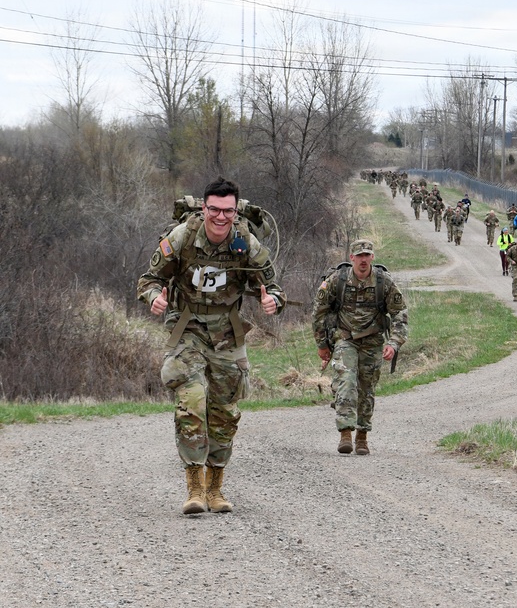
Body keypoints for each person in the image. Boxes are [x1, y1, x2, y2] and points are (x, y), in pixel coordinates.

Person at [137, 177, 286, 515]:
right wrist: (153, 298)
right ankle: (194, 488)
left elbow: (273, 284)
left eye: (228, 211)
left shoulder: (246, 242)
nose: (221, 217)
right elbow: (150, 279)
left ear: (236, 212)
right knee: (191, 400)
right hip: (187, 327)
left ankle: (215, 488)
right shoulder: (183, 238)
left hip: (227, 332)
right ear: (204, 208)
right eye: (214, 210)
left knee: (224, 412)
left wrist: (273, 300)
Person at [312, 239, 408, 456]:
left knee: (366, 388)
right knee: (345, 381)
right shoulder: (338, 280)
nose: (363, 260)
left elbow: (400, 313)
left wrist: (393, 343)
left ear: (372, 257)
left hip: (373, 342)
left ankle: (362, 436)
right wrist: (322, 345)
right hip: (345, 339)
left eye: (367, 255)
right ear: (352, 258)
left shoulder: (384, 282)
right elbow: (319, 311)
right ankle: (345, 433)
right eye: (359, 256)